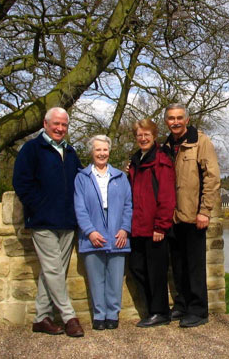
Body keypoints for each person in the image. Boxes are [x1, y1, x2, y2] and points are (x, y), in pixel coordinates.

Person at [12, 107, 84, 337]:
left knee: (54, 271)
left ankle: (41, 318)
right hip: (43, 220)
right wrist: (39, 205)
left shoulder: (71, 152)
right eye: (56, 124)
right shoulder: (31, 149)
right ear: (45, 123)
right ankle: (69, 316)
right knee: (54, 269)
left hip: (67, 221)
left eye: (64, 125)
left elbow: (82, 181)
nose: (60, 128)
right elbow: (21, 183)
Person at [161, 103, 220, 328]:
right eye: (171, 118)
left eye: (179, 118)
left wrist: (205, 211)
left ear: (187, 119)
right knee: (178, 265)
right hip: (173, 216)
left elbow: (212, 177)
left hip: (194, 215)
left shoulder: (200, 141)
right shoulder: (166, 145)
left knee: (194, 265)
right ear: (166, 121)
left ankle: (198, 310)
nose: (175, 122)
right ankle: (182, 304)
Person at [74, 135, 132, 330]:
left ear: (110, 151)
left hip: (117, 234)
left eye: (105, 150)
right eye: (98, 150)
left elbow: (128, 206)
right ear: (92, 152)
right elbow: (79, 208)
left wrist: (125, 229)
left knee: (115, 278)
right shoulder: (82, 177)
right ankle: (99, 315)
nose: (102, 153)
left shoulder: (120, 177)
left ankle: (112, 314)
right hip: (93, 236)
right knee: (96, 278)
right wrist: (90, 232)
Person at [128, 119, 176, 328]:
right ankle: (151, 310)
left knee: (156, 272)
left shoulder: (161, 159)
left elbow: (167, 196)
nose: (143, 138)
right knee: (137, 267)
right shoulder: (136, 160)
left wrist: (160, 226)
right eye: (139, 134)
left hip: (154, 228)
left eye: (147, 134)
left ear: (154, 135)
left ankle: (160, 312)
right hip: (137, 227)